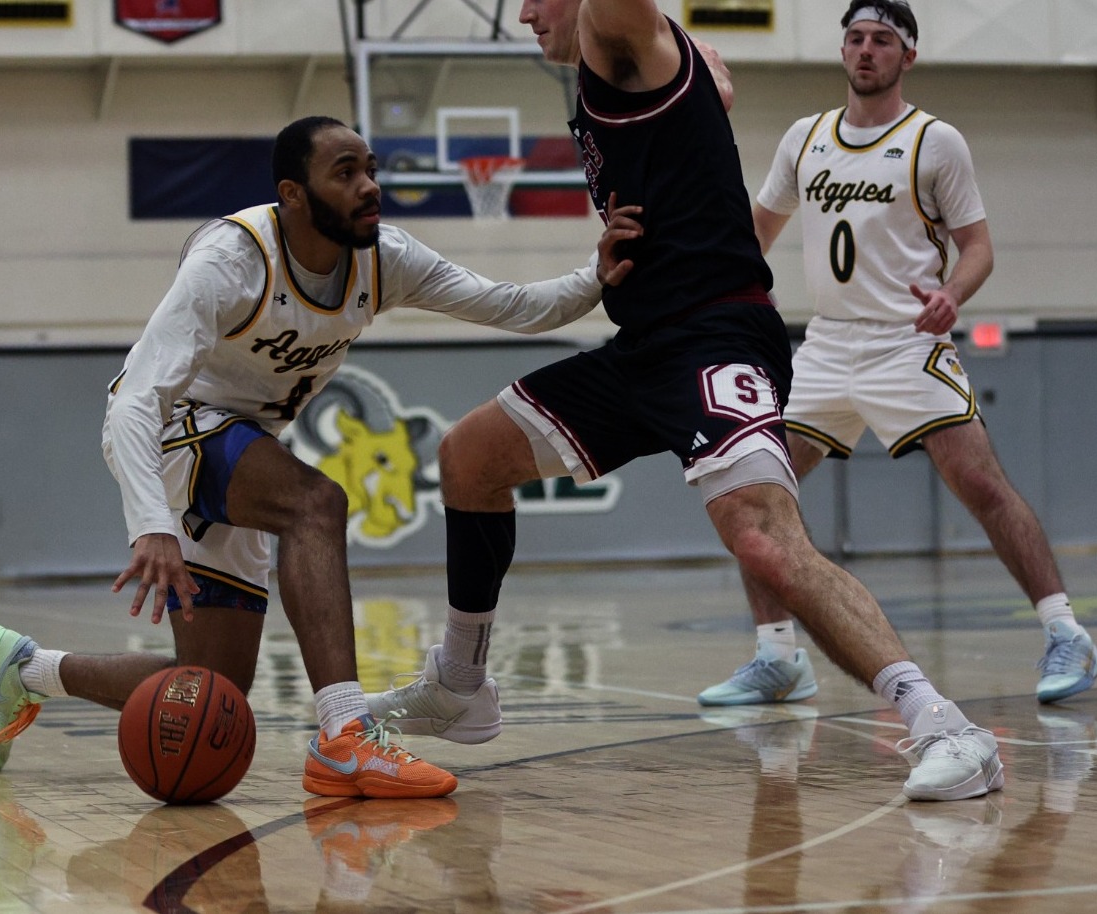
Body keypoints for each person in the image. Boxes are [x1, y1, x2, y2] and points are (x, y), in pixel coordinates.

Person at [368, 0, 1005, 802]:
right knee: (468, 458)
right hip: (644, 346)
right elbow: (702, 83)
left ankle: (947, 727)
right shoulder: (649, 59)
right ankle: (460, 683)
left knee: (765, 539)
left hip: (716, 336)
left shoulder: (615, 30)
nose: (524, 13)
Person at [0, 115, 638, 800]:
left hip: (244, 445)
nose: (368, 186)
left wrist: (596, 272)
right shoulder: (231, 262)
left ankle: (25, 670)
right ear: (292, 193)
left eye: (371, 168)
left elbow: (511, 305)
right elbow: (135, 403)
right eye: (345, 172)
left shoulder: (385, 256)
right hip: (174, 430)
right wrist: (151, 525)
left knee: (212, 691)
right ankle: (346, 737)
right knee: (315, 501)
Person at [697, 0, 1097, 709]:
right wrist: (715, 298)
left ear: (906, 56)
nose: (864, 51)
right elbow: (755, 233)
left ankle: (1068, 632)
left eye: (881, 41)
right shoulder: (807, 137)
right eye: (855, 38)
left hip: (905, 344)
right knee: (753, 495)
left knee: (981, 487)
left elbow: (978, 249)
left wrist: (952, 295)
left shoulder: (935, 141)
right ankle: (779, 658)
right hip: (824, 345)